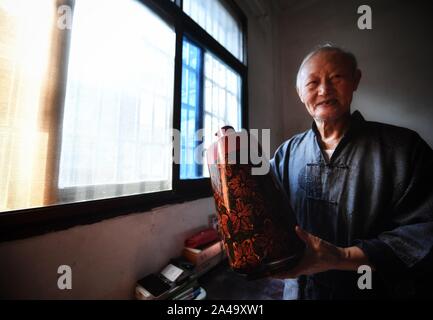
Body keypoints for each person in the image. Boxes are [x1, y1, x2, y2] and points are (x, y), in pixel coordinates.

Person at [270, 44, 433, 299]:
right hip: (301, 291)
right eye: (312, 83)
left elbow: (424, 231)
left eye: (337, 77)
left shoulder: (404, 149)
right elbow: (267, 213)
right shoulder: (285, 154)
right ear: (300, 92)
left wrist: (343, 257)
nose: (324, 90)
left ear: (355, 80)